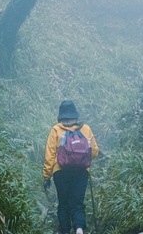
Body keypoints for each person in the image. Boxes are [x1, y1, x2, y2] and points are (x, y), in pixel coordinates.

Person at [43, 100, 99, 234]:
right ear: (75, 113)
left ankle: (64, 231)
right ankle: (79, 229)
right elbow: (94, 152)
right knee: (77, 203)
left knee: (63, 204)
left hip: (60, 172)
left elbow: (50, 155)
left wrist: (46, 176)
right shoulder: (85, 128)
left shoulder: (56, 129)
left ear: (61, 114)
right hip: (81, 172)